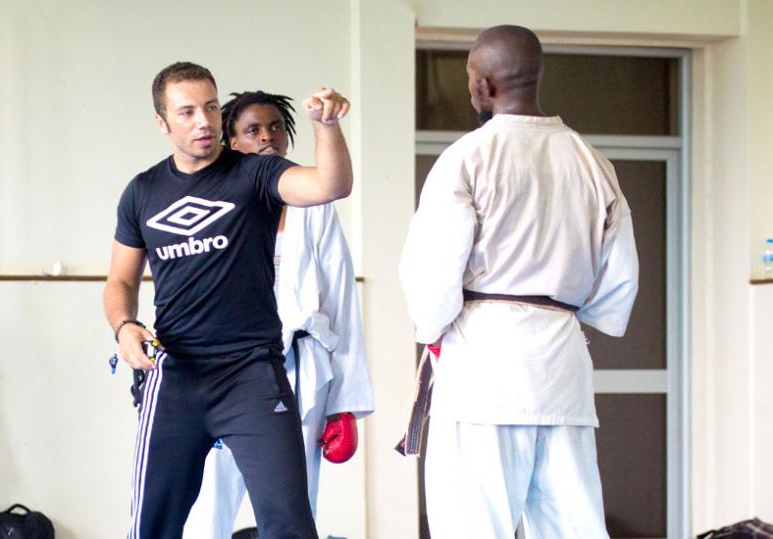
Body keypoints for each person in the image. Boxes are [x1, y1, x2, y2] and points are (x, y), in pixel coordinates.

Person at [399, 25, 639, 538]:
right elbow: (619, 284)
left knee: (473, 527)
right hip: (562, 366)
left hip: (484, 366)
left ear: (484, 86)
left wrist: (431, 327)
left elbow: (433, 278)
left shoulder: (468, 157)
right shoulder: (592, 162)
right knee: (571, 527)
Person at [103, 62, 353, 539]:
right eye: (188, 111)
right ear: (163, 122)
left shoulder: (254, 174)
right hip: (175, 375)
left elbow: (330, 185)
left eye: (212, 107)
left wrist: (327, 126)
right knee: (151, 526)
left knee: (290, 525)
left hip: (252, 374)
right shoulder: (142, 193)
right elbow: (120, 280)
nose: (204, 121)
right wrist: (125, 326)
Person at [182, 91, 374, 537]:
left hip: (302, 368)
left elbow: (341, 300)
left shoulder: (316, 205)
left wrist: (344, 404)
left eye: (275, 128)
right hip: (226, 368)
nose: (267, 137)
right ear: (231, 141)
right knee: (212, 493)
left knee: (294, 499)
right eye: (252, 130)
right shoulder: (214, 206)